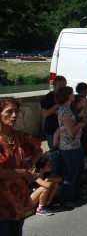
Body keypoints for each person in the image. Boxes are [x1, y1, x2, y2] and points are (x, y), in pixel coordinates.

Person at [0, 97, 44, 234]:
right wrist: (24, 173)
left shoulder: (18, 136)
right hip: (1, 200)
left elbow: (39, 149)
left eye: (16, 112)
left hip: (18, 197)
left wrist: (30, 164)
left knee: (16, 231)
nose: (14, 115)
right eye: (9, 112)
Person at [56, 85, 87, 206]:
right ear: (67, 96)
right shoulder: (64, 110)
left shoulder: (69, 109)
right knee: (72, 172)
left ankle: (75, 194)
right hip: (68, 146)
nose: (73, 95)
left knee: (79, 169)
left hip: (75, 144)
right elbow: (70, 130)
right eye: (71, 93)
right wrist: (80, 124)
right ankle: (66, 199)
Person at [40, 75, 65, 174]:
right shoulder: (49, 97)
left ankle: (62, 175)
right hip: (51, 130)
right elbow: (45, 114)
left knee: (63, 154)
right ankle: (54, 176)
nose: (62, 87)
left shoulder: (66, 98)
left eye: (64, 85)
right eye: (60, 85)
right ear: (54, 85)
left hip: (63, 130)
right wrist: (56, 106)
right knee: (54, 154)